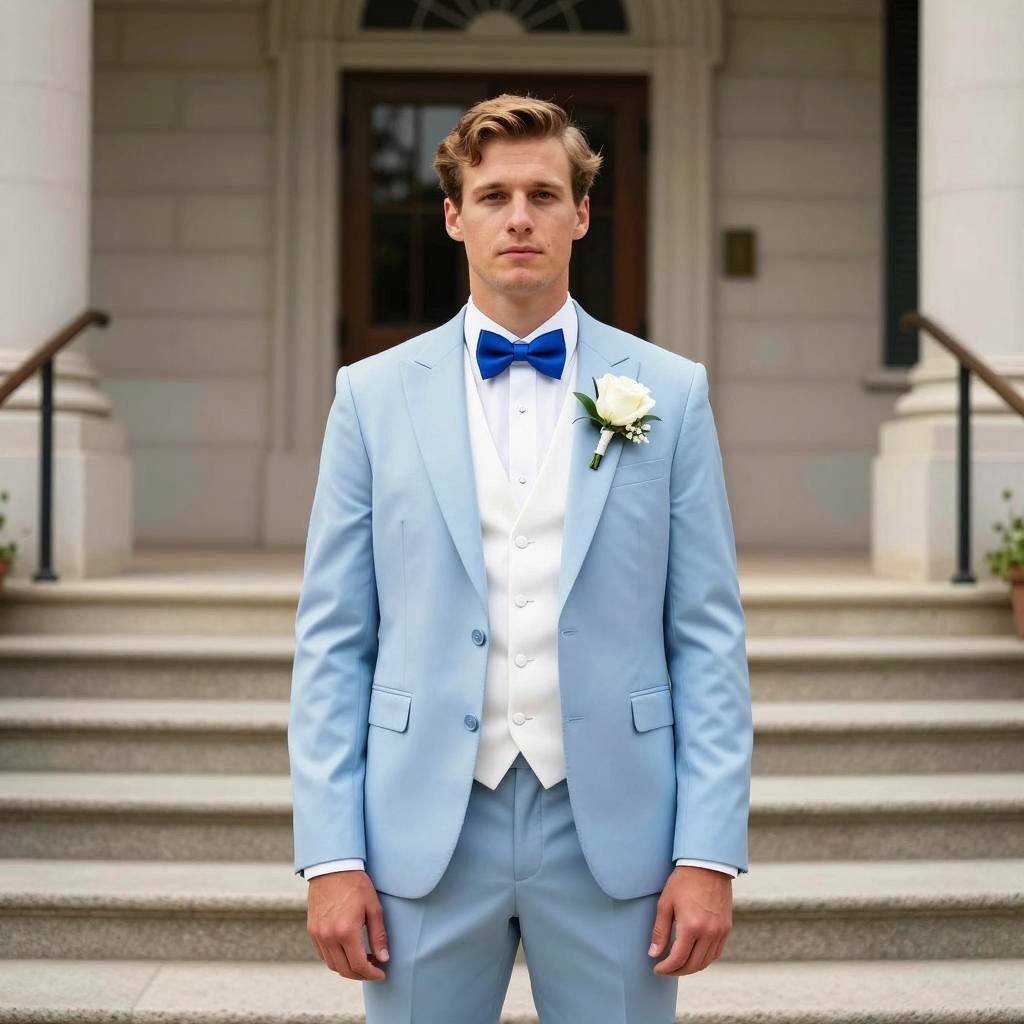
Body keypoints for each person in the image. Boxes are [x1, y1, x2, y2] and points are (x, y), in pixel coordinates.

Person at [288, 92, 753, 1024]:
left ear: (582, 214)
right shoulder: (371, 397)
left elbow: (707, 636)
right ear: (455, 216)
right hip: (421, 830)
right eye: (494, 195)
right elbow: (335, 640)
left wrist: (708, 852)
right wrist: (332, 856)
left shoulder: (671, 391)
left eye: (544, 194)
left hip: (616, 828)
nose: (520, 217)